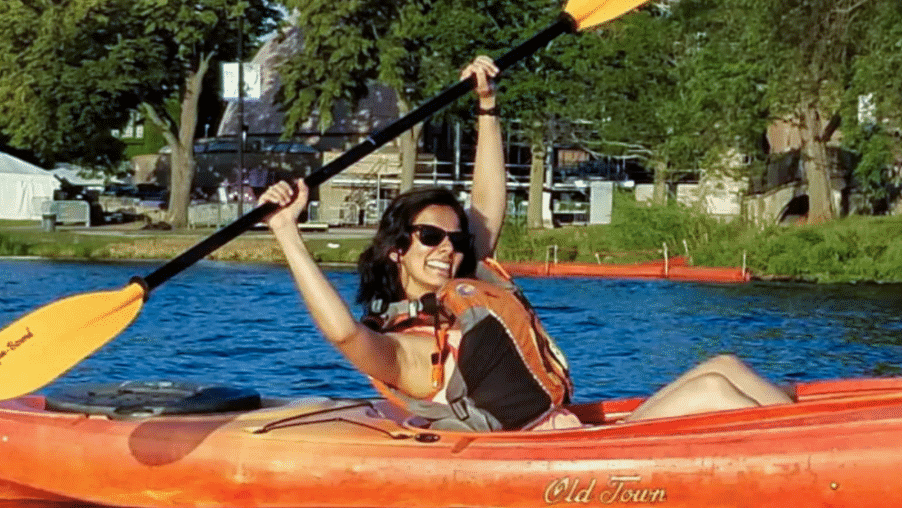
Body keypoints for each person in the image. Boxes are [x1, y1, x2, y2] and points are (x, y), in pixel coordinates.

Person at [259, 56, 791, 429]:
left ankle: (821, 443)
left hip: (568, 434)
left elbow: (487, 204)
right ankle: (815, 458)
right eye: (429, 237)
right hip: (554, 458)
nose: (446, 248)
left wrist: (487, 106)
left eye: (453, 237)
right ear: (398, 249)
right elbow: (344, 334)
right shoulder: (406, 349)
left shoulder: (462, 288)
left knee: (724, 364)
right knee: (713, 393)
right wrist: (288, 231)